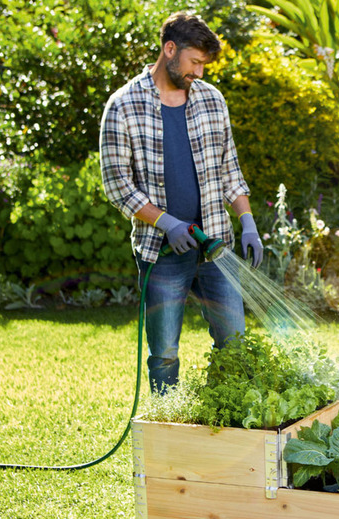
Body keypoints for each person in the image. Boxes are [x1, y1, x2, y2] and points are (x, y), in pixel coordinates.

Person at [99, 12, 263, 395]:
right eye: (195, 63)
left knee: (234, 344)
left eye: (204, 65)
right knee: (165, 354)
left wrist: (248, 221)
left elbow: (229, 171)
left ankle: (229, 426)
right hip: (162, 252)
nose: (200, 73)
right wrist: (167, 223)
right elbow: (117, 184)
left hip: (215, 245)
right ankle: (165, 432)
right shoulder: (123, 105)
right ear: (170, 50)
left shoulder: (211, 100)